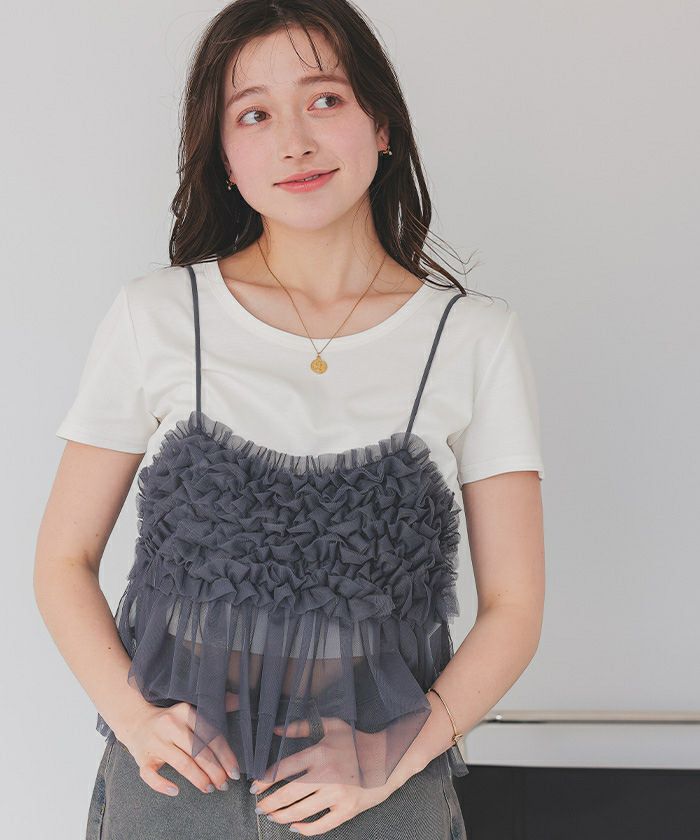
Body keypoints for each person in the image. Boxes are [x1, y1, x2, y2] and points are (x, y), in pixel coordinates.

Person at [34, 1, 546, 838]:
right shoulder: (157, 315)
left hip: (380, 797)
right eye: (255, 115)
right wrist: (134, 720)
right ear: (224, 157)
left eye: (325, 100)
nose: (295, 142)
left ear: (382, 124)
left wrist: (393, 755)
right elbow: (63, 558)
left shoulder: (473, 337)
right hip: (174, 794)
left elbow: (516, 606)